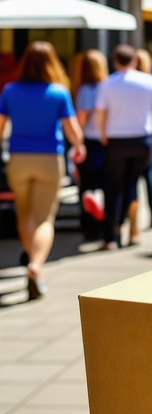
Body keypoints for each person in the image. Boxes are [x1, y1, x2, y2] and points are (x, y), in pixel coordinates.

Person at [0, 42, 85, 300]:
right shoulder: (59, 92)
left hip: (18, 158)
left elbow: (1, 126)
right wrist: (79, 146)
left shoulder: (10, 90)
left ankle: (31, 258)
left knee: (25, 213)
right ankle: (36, 266)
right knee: (45, 218)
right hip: (49, 159)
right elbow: (72, 129)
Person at [95, 44, 152, 249]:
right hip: (142, 138)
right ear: (134, 61)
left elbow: (101, 113)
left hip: (116, 139)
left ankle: (111, 236)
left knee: (113, 188)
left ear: (115, 62)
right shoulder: (149, 81)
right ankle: (133, 231)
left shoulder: (107, 83)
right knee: (132, 185)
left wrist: (103, 135)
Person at [74, 49, 108, 239]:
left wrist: (76, 142)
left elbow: (82, 118)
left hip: (90, 140)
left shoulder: (86, 90)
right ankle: (105, 223)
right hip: (109, 140)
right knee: (104, 183)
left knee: (88, 185)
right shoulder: (109, 86)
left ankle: (90, 225)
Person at [131, 48, 152, 230]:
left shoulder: (126, 82)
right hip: (147, 133)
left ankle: (133, 220)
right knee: (149, 174)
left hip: (127, 135)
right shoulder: (150, 81)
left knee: (131, 179)